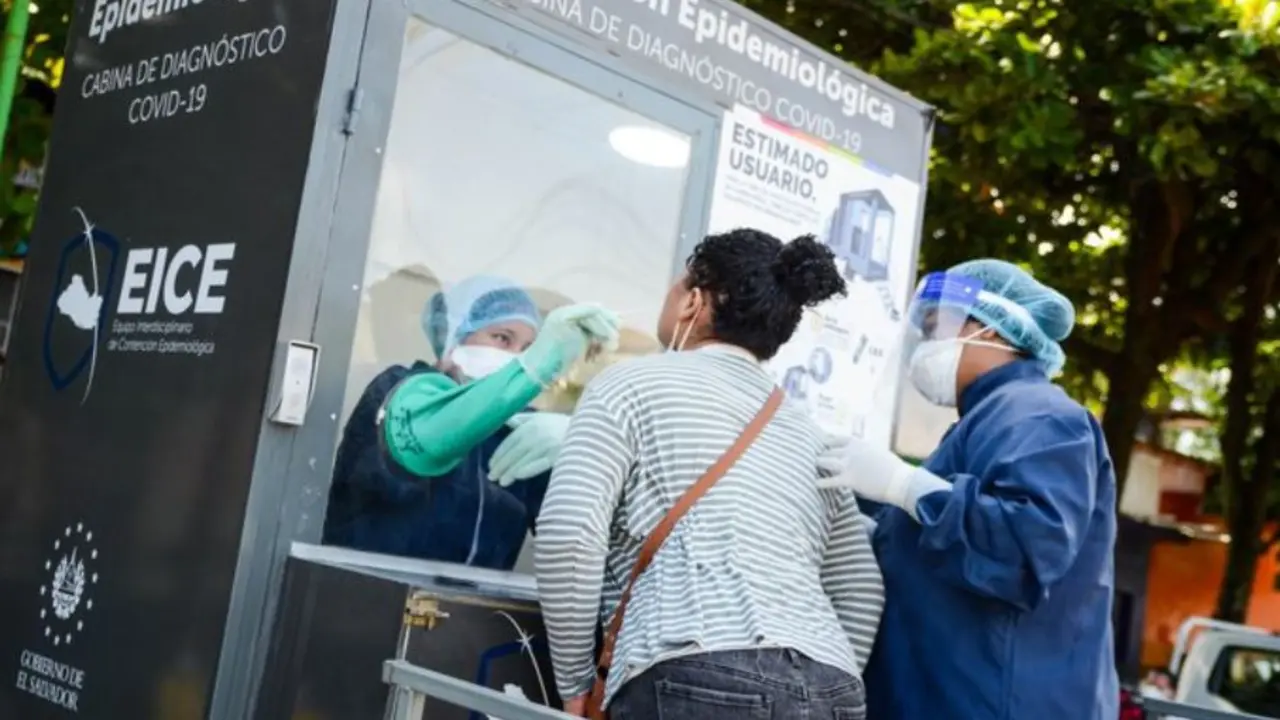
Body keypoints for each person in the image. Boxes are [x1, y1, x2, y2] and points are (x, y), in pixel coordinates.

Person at [535, 229, 883, 719]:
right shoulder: (808, 432)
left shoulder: (630, 385)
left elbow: (569, 535)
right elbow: (860, 586)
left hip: (692, 670)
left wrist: (574, 685)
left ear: (693, 302)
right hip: (832, 687)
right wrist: (811, 675)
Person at [819, 259, 1119, 719]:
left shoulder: (1042, 416)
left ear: (997, 330)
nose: (926, 346)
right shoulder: (987, 422)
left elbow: (1025, 549)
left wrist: (904, 484)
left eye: (939, 328)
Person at [323, 274, 620, 569]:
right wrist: (537, 364)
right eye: (502, 338)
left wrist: (584, 444)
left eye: (528, 349)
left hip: (474, 610)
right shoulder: (399, 389)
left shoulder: (523, 429)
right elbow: (430, 437)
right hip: (364, 595)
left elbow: (579, 536)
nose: (516, 357)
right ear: (453, 333)